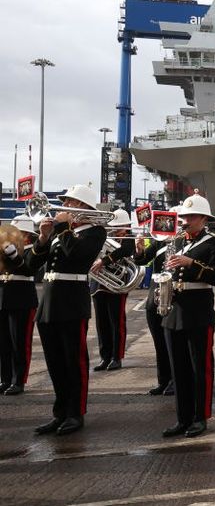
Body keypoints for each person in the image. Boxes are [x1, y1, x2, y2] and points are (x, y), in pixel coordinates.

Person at [26, 184, 107, 435]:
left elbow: (78, 257)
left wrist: (62, 228)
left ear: (83, 206)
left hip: (72, 303)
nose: (65, 206)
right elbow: (30, 265)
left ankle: (75, 413)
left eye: (70, 202)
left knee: (75, 362)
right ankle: (60, 413)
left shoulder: (95, 232)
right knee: (55, 364)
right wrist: (42, 238)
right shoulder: (61, 232)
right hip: (50, 303)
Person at [160, 191, 215, 438]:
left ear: (202, 218)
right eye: (184, 216)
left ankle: (200, 417)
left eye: (190, 217)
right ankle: (183, 417)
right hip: (174, 310)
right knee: (178, 369)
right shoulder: (178, 241)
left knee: (200, 367)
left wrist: (190, 263)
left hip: (198, 310)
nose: (184, 220)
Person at [133, 208, 181, 396]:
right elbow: (143, 260)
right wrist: (139, 249)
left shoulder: (185, 242)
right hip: (155, 293)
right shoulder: (159, 240)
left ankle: (176, 380)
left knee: (173, 343)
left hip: (173, 293)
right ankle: (163, 380)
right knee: (159, 342)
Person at [89, 209, 135, 372]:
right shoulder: (104, 237)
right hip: (99, 284)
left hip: (116, 285)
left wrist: (105, 260)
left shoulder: (129, 238)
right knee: (101, 324)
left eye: (119, 226)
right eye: (114, 227)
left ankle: (117, 357)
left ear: (127, 225)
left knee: (117, 323)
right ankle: (105, 357)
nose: (116, 230)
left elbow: (125, 251)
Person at [0, 215, 41, 396]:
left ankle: (19, 381)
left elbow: (28, 269)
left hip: (22, 299)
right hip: (3, 298)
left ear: (27, 236)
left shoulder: (32, 250)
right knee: (3, 343)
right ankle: (5, 379)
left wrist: (13, 255)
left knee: (20, 343)